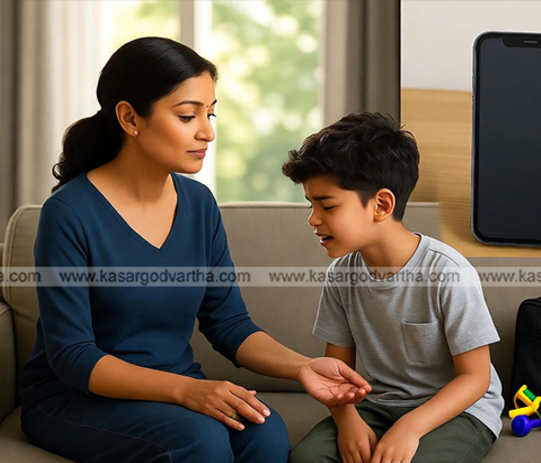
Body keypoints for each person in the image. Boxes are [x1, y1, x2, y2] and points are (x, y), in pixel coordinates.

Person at [19, 37, 372, 463]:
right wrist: (188, 391)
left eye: (210, 112)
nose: (208, 131)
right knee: (198, 440)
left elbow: (228, 324)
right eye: (188, 115)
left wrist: (302, 367)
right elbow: (73, 357)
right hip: (75, 399)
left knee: (265, 433)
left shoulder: (199, 204)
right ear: (130, 118)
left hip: (172, 390)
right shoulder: (69, 213)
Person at [284, 112, 503, 463]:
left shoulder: (449, 273)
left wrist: (409, 428)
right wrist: (348, 421)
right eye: (311, 205)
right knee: (305, 459)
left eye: (327, 205)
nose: (313, 218)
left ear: (381, 205)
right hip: (378, 406)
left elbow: (475, 380)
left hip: (459, 411)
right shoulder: (342, 276)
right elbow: (337, 373)